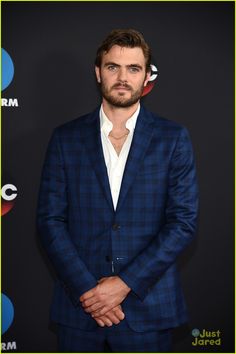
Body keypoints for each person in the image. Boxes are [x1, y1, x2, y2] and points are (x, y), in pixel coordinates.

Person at [37, 28, 198, 352]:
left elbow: (182, 222)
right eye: (113, 67)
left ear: (145, 76)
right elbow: (50, 220)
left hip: (148, 310)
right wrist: (90, 292)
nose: (123, 77)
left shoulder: (173, 138)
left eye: (133, 68)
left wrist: (124, 285)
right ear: (98, 72)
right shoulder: (65, 138)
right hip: (80, 309)